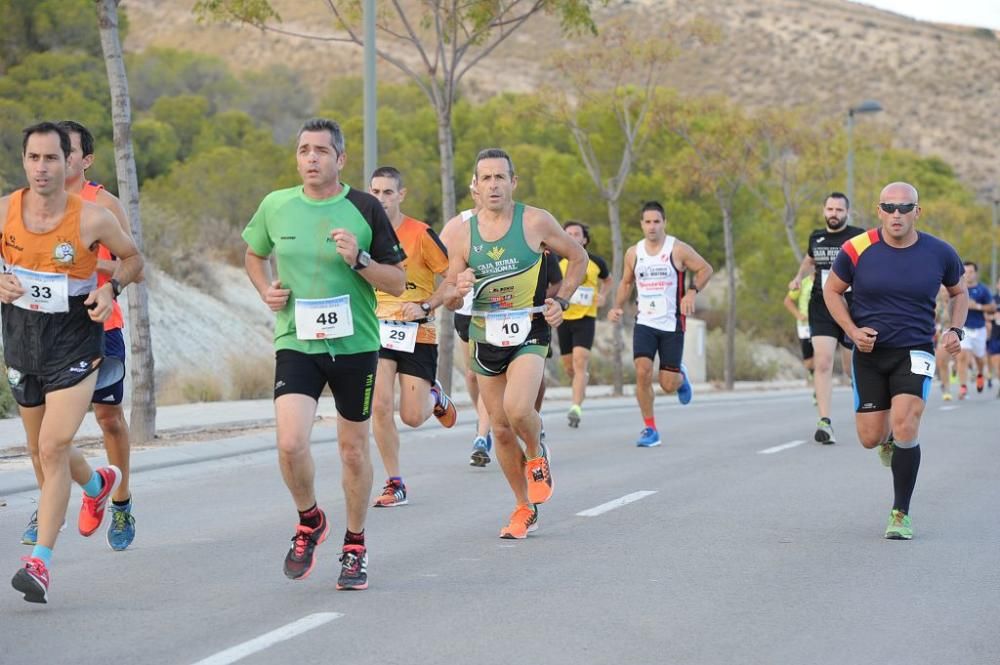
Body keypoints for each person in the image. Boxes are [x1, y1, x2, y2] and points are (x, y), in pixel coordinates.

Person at [242, 118, 406, 591]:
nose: (311, 158)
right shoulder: (276, 205)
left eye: (320, 151)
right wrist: (264, 290)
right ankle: (309, 519)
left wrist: (360, 260)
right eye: (303, 150)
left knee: (352, 450)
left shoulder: (364, 207)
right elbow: (254, 255)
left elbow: (396, 281)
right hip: (297, 339)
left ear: (340, 159)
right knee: (290, 443)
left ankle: (355, 544)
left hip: (356, 344)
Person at [3, 122, 143, 603]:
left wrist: (110, 287)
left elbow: (133, 260)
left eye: (51, 159)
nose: (42, 168)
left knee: (54, 445)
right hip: (23, 342)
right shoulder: (5, 212)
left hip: (77, 341)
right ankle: (98, 480)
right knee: (40, 446)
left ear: (70, 164)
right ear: (23, 161)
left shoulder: (92, 217)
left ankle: (40, 561)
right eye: (33, 158)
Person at [444, 148, 586, 539]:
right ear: (474, 186)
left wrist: (561, 300)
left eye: (500, 177)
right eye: (485, 178)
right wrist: (457, 289)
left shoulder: (535, 221)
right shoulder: (458, 231)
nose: (493, 185)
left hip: (529, 328)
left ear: (513, 182)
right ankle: (524, 507)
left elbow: (578, 257)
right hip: (483, 333)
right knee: (502, 431)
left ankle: (537, 453)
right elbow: (447, 291)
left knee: (518, 407)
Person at [824, 182, 967, 540]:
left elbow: (958, 293)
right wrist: (852, 331)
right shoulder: (856, 248)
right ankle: (886, 437)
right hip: (870, 354)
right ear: (879, 210)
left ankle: (900, 512)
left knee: (906, 424)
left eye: (905, 208)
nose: (897, 214)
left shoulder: (940, 252)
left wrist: (955, 330)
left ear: (917, 212)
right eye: (889, 207)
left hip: (915, 350)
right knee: (870, 438)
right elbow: (832, 291)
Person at [368, 166, 456, 507]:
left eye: (388, 192)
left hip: (417, 331)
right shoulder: (362, 234)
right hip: (376, 329)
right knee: (379, 405)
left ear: (401, 195)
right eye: (375, 192)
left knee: (413, 417)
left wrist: (427, 304)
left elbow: (454, 277)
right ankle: (395, 483)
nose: (381, 198)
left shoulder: (421, 233)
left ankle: (434, 396)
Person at [607, 201, 713, 448]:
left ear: (664, 223)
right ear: (641, 225)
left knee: (667, 385)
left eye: (657, 221)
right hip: (644, 322)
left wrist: (691, 292)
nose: (652, 227)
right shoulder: (634, 253)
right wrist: (617, 306)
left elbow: (705, 269)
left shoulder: (677, 249)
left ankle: (680, 377)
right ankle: (650, 428)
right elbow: (625, 282)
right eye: (647, 222)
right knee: (642, 372)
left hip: (672, 323)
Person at [787, 193, 866, 444]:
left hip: (852, 306)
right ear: (824, 211)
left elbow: (871, 263)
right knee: (822, 362)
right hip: (821, 305)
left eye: (839, 210)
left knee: (853, 368)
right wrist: (799, 277)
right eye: (830, 209)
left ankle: (868, 409)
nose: (834, 214)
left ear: (847, 213)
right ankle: (825, 422)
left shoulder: (859, 237)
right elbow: (810, 259)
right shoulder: (816, 237)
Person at [439, 182, 494, 467]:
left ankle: (482, 436)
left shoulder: (505, 225)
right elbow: (436, 257)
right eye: (477, 187)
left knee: (485, 375)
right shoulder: (459, 224)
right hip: (465, 308)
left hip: (494, 312)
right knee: (473, 377)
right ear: (473, 191)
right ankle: (485, 419)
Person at [557, 222, 611, 428]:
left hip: (586, 318)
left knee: (580, 361)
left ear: (584, 239)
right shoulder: (556, 261)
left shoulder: (596, 262)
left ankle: (575, 407)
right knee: (570, 368)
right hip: (563, 319)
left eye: (576, 234)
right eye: (567, 234)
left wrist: (604, 296)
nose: (572, 237)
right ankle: (580, 382)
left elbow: (608, 280)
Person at [956, 261, 995, 398]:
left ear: (975, 273)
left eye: (971, 272)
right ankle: (963, 386)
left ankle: (980, 374)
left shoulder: (983, 289)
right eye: (965, 272)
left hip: (979, 329)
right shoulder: (959, 288)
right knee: (962, 356)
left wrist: (977, 306)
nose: (968, 275)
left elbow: (992, 307)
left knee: (979, 358)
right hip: (963, 327)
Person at [783, 273, 816, 399]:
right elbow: (788, 301)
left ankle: (818, 391)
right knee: (808, 362)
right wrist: (799, 315)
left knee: (821, 357)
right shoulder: (803, 283)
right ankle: (812, 374)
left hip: (821, 324)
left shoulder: (827, 280)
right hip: (805, 326)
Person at [988, 277, 1000, 398]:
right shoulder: (992, 300)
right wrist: (993, 317)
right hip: (996, 336)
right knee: (998, 365)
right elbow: (985, 314)